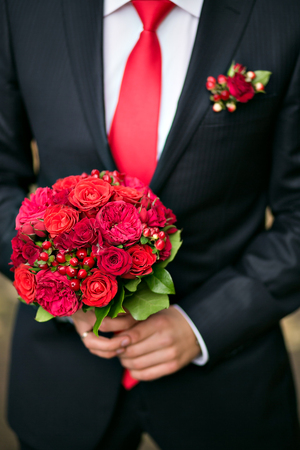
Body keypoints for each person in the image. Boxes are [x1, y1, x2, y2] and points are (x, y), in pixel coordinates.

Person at [1, 0, 300, 449]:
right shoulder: (23, 10)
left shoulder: (283, 16)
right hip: (62, 382)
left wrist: (202, 325)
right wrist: (60, 288)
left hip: (227, 386)